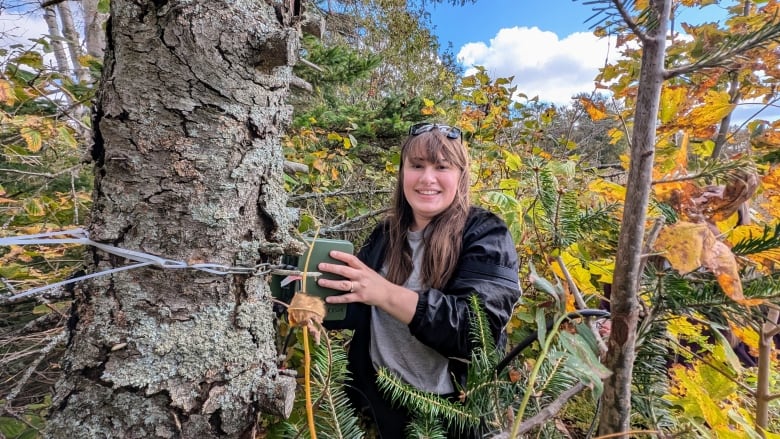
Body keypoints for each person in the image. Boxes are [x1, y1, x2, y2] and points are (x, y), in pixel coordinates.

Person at [317, 122, 521, 438]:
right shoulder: (385, 235)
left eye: (442, 167)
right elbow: (360, 307)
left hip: (453, 411)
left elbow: (475, 331)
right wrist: (308, 298)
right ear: (402, 174)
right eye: (416, 166)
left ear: (461, 175)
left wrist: (384, 293)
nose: (427, 178)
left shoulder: (487, 235)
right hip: (378, 399)